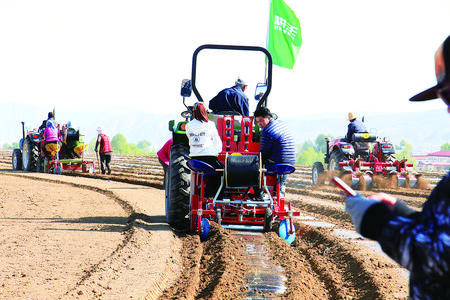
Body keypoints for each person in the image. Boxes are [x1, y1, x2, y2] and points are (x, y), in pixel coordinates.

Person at [344, 35, 450, 299]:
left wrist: (377, 222)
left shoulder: (351, 128)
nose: (446, 109)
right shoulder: (365, 128)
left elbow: (437, 258)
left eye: (447, 95)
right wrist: (403, 212)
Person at [254, 106, 296, 197]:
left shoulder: (267, 131)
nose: (259, 124)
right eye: (257, 122)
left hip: (278, 163)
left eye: (261, 120)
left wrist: (252, 160)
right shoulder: (280, 124)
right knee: (281, 163)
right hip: (290, 162)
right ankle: (280, 189)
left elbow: (263, 154)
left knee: (254, 167)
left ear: (268, 118)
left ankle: (258, 195)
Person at [186, 102, 223, 199]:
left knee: (212, 177)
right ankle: (219, 199)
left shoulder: (188, 126)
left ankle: (206, 196)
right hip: (208, 157)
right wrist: (217, 151)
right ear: (204, 112)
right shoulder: (210, 124)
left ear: (193, 113)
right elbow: (217, 141)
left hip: (194, 159)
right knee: (223, 173)